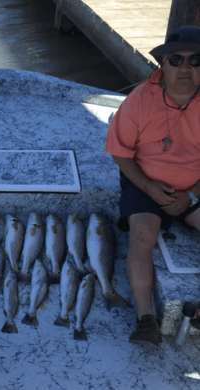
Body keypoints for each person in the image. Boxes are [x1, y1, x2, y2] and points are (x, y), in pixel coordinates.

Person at [105, 25, 200, 347]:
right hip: (146, 182)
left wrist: (190, 194)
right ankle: (146, 318)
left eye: (196, 60)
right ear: (163, 64)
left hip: (195, 185)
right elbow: (120, 153)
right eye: (176, 60)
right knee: (142, 237)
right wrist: (149, 187)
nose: (186, 68)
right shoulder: (139, 100)